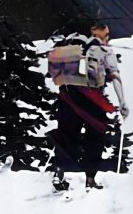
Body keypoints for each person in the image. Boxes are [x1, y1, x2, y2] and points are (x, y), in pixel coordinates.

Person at [47, 22, 128, 191]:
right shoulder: (104, 50)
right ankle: (90, 178)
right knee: (95, 136)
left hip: (67, 96)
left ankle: (62, 173)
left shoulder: (69, 45)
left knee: (66, 135)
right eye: (107, 34)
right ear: (98, 33)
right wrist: (122, 103)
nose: (108, 37)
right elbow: (115, 76)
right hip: (92, 99)